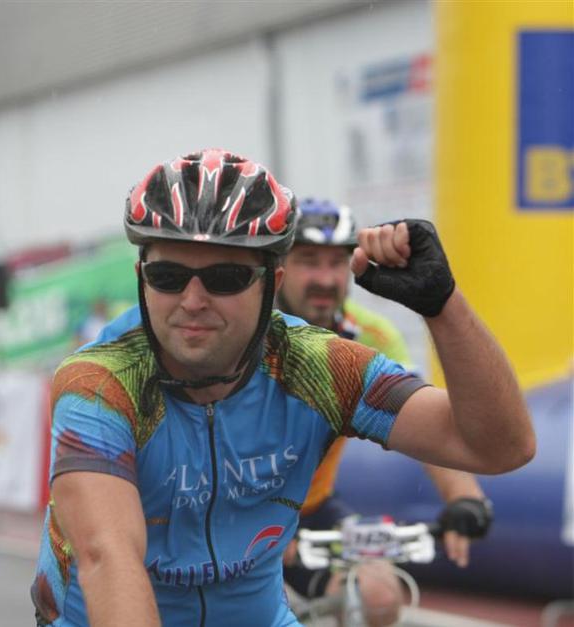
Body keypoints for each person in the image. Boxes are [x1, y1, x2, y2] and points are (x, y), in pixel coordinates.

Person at [30, 149, 534, 626]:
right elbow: (108, 556)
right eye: (168, 276)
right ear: (142, 276)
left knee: (379, 596)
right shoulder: (101, 382)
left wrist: (443, 306)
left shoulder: (316, 366)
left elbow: (500, 447)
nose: (193, 300)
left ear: (272, 280)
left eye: (226, 278)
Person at [278, 198, 493, 625]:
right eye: (309, 262)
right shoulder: (252, 327)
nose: (325, 279)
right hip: (231, 507)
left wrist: (463, 497)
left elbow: (426, 421)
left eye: (336, 263)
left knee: (377, 596)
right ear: (279, 266)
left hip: (312, 507)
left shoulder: (373, 335)